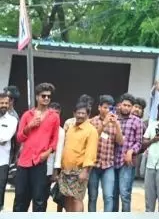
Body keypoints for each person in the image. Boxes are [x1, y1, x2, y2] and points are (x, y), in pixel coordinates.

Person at [11, 82, 58, 212]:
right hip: (24, 162)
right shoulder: (27, 115)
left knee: (39, 198)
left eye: (49, 96)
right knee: (20, 197)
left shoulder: (54, 116)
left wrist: (47, 153)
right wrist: (29, 126)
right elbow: (19, 138)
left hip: (40, 161)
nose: (46, 99)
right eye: (43, 96)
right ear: (37, 97)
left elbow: (54, 140)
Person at [57, 99, 98, 212]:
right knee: (68, 197)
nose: (80, 115)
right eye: (78, 113)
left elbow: (91, 153)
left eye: (83, 113)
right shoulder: (71, 127)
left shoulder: (91, 131)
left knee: (77, 199)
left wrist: (85, 171)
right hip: (66, 170)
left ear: (88, 115)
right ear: (74, 113)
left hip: (79, 171)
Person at [115, 96, 143, 212]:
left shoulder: (137, 121)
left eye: (129, 106)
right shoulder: (115, 119)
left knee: (124, 193)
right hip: (112, 161)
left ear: (132, 108)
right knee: (113, 193)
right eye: (124, 105)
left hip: (127, 163)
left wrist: (131, 151)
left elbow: (139, 142)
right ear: (120, 105)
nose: (126, 108)